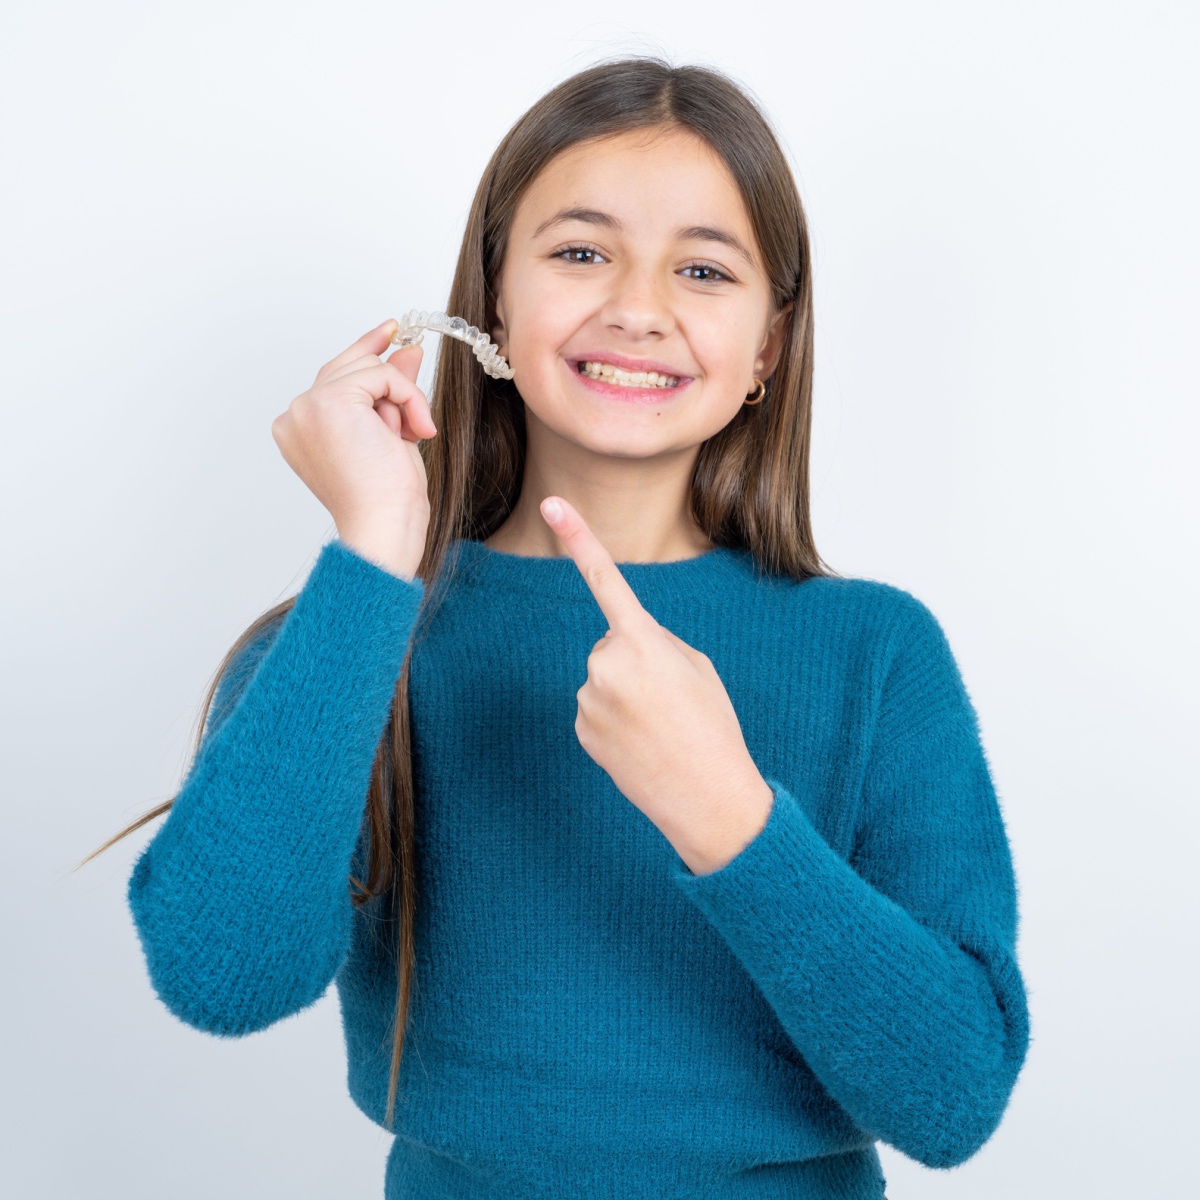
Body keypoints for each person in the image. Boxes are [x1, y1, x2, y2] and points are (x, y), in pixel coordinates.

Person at [89, 56, 1031, 1200]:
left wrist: (727, 815)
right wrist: (376, 554)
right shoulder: (352, 632)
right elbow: (220, 976)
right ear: (492, 300)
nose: (638, 307)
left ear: (769, 351)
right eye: (580, 252)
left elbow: (954, 1100)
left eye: (704, 268)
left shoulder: (877, 653)